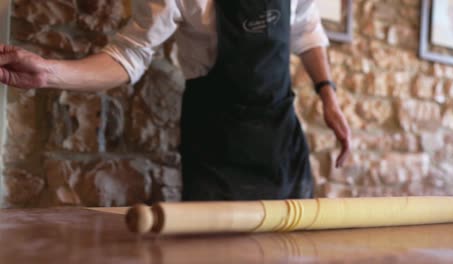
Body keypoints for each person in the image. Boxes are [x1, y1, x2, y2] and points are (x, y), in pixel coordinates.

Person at [0, 0, 351, 201]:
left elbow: (306, 28)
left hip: (280, 141)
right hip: (217, 143)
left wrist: (328, 94)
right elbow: (129, 55)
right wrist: (49, 72)